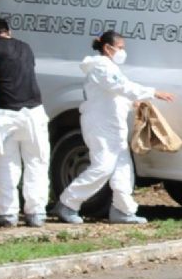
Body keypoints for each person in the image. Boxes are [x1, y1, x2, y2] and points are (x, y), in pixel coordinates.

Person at [53, 30, 174, 225]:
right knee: (103, 167)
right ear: (108, 48)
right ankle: (68, 203)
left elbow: (114, 96)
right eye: (120, 48)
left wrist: (132, 103)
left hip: (113, 127)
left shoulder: (110, 68)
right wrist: (152, 92)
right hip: (100, 127)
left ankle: (122, 210)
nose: (122, 52)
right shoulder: (101, 67)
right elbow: (122, 87)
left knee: (123, 169)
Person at [0, 18, 49, 228]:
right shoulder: (25, 47)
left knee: (6, 164)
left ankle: (7, 214)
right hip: (34, 111)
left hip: (6, 112)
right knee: (36, 162)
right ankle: (36, 213)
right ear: (9, 31)